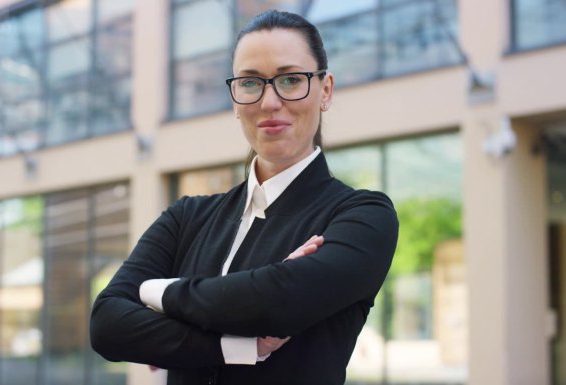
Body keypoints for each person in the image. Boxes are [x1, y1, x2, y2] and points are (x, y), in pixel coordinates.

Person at [90, 10, 398, 385]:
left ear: (325, 90)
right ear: (235, 99)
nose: (269, 102)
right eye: (251, 84)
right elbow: (106, 325)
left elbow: (276, 304)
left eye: (290, 79)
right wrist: (238, 344)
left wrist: (157, 293)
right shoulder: (186, 217)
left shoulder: (362, 216)